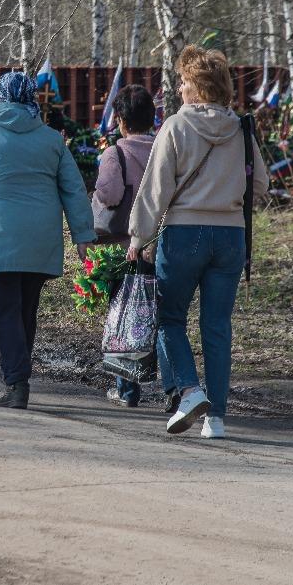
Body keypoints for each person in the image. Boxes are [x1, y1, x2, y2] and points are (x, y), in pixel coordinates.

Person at [127, 46, 267, 438]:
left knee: (169, 317)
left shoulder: (175, 126)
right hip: (230, 237)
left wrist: (138, 236)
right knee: (217, 326)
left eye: (184, 81)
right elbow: (260, 184)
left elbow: (155, 190)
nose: (179, 87)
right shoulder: (242, 129)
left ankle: (189, 390)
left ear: (196, 88)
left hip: (184, 234)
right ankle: (216, 419)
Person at [0, 72, 97, 409]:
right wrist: (83, 234)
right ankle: (18, 376)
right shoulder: (51, 139)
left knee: (4, 312)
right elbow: (73, 189)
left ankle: (17, 382)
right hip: (41, 240)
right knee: (25, 311)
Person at [92, 85, 179, 410]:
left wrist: (97, 191)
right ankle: (173, 388)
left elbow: (110, 195)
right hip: (163, 245)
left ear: (121, 120)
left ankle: (127, 389)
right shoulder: (165, 147)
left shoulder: (116, 153)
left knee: (127, 315)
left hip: (126, 246)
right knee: (163, 318)